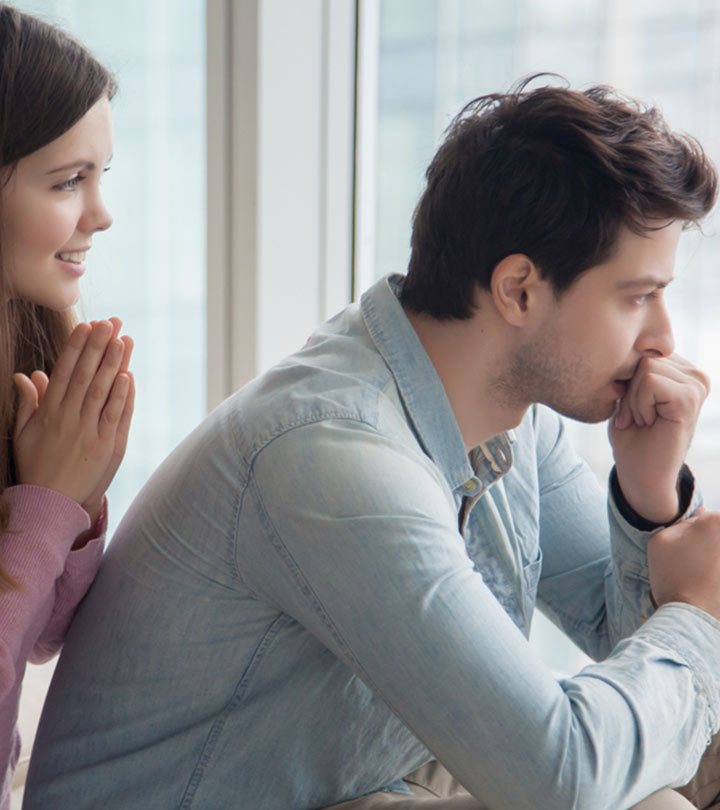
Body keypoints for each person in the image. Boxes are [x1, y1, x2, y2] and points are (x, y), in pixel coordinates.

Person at [23, 77, 720, 810]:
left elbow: (628, 646)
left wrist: (647, 501)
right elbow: (564, 775)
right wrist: (701, 612)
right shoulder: (334, 459)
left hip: (348, 780)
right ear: (518, 291)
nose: (664, 338)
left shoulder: (515, 415)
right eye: (638, 296)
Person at [0, 5, 134, 808]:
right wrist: (45, 506)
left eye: (101, 176)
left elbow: (43, 636)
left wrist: (76, 500)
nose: (101, 213)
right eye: (68, 181)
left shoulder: (30, 353)